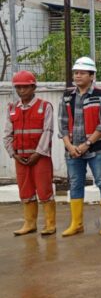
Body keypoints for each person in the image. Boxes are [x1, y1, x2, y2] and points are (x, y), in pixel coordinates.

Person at [59, 56, 101, 237]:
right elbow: (62, 123)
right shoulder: (67, 96)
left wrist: (87, 144)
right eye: (76, 72)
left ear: (92, 76)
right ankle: (76, 224)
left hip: (97, 150)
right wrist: (69, 146)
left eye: (82, 73)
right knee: (75, 184)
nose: (78, 76)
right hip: (73, 151)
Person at [4, 71, 56, 236]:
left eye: (25, 87)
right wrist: (13, 154)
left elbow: (48, 131)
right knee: (25, 191)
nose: (21, 90)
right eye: (18, 87)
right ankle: (29, 224)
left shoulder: (44, 106)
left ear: (33, 87)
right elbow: (7, 134)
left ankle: (50, 224)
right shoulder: (12, 109)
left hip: (40, 158)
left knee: (44, 189)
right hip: (20, 158)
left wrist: (38, 153)